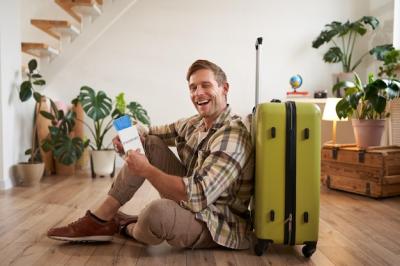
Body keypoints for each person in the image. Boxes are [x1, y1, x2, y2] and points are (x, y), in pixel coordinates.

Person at [47, 59, 254, 249]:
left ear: (224, 88)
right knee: (151, 143)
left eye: (206, 85)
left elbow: (198, 195)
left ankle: (123, 225)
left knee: (157, 213)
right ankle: (100, 219)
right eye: (193, 87)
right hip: (191, 203)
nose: (198, 93)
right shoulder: (195, 123)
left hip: (217, 223)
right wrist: (131, 136)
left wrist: (146, 170)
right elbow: (150, 132)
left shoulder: (232, 135)